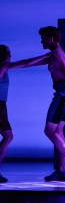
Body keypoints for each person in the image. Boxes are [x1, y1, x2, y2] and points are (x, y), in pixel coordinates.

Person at [7, 26, 65, 181]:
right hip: (64, 95)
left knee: (49, 130)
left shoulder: (58, 55)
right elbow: (29, 62)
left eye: (43, 38)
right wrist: (8, 66)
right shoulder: (53, 54)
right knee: (58, 132)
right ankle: (62, 169)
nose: (41, 41)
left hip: (62, 96)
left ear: (51, 38)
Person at [0, 46, 13, 183]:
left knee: (8, 136)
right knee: (8, 136)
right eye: (8, 54)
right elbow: (24, 63)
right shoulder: (2, 67)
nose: (11, 56)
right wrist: (45, 58)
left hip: (2, 104)